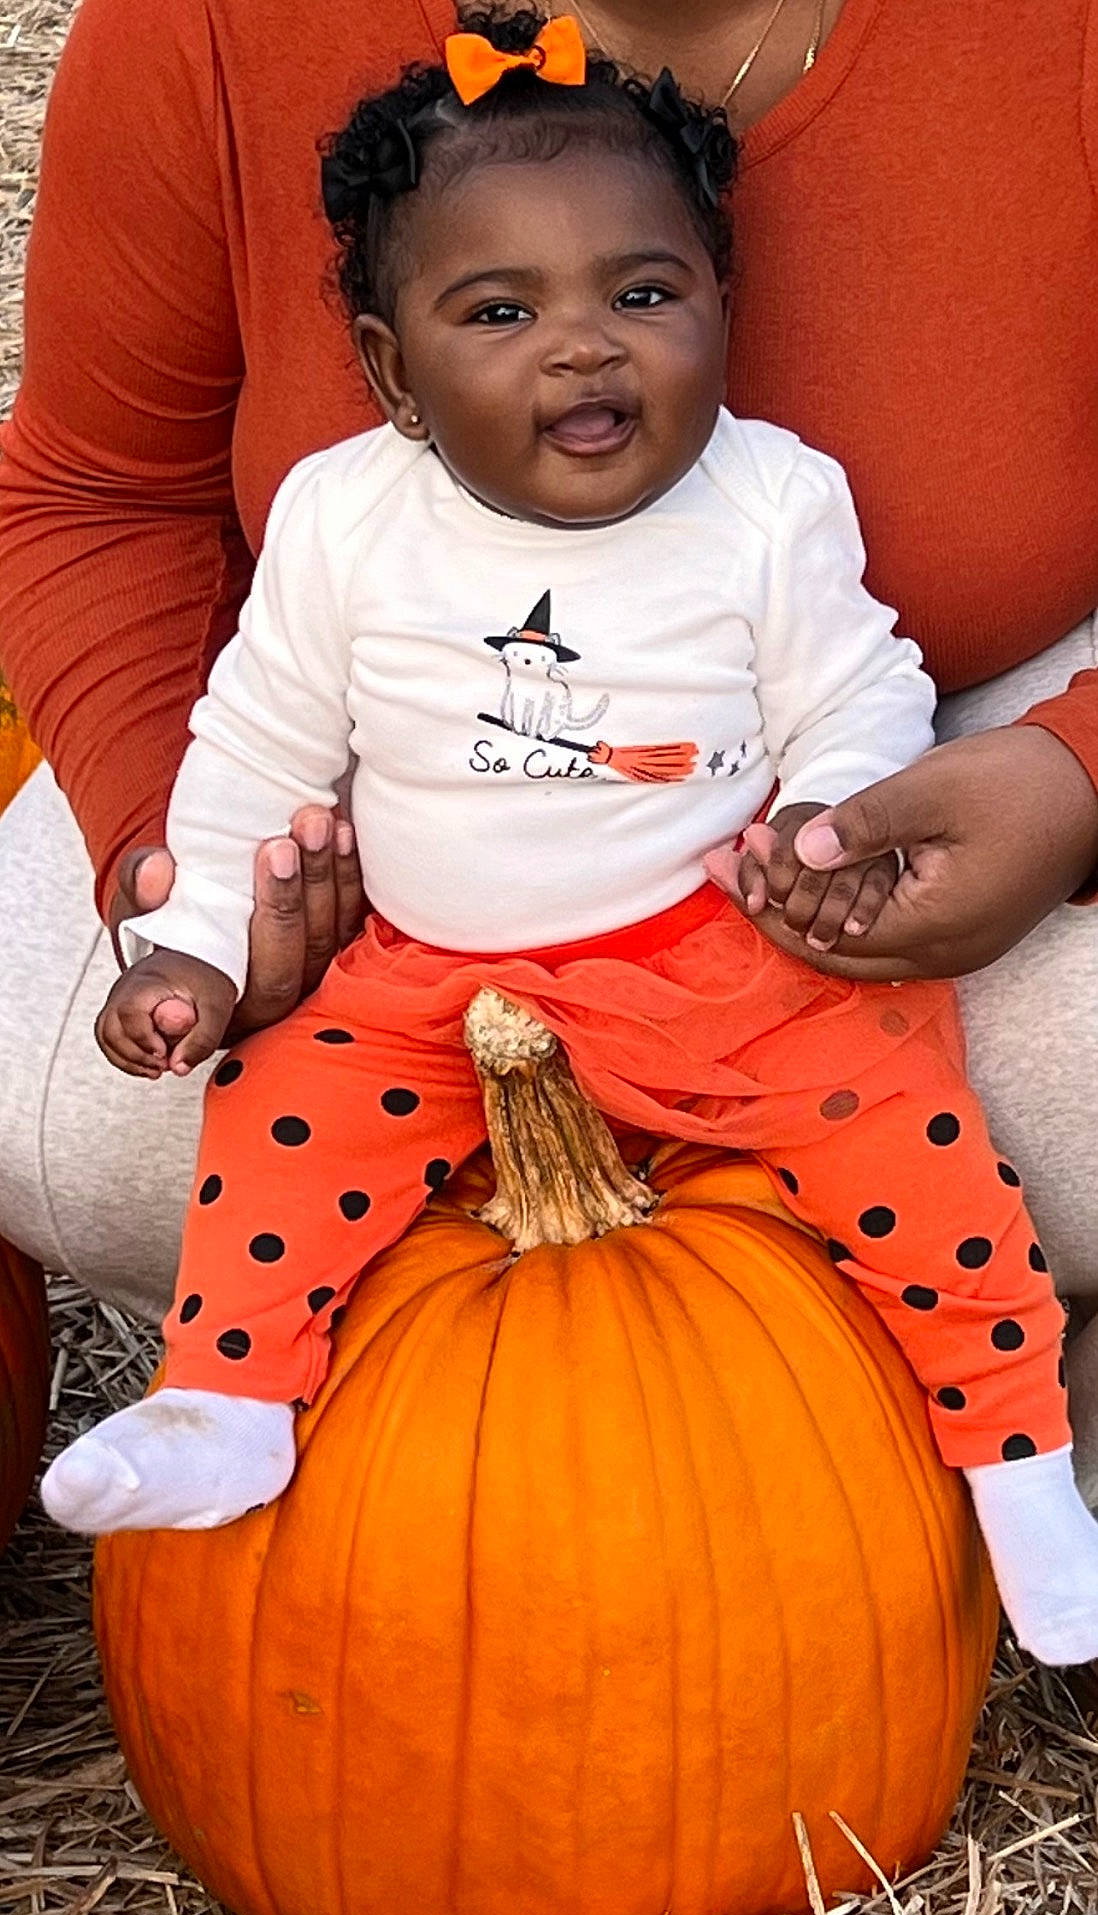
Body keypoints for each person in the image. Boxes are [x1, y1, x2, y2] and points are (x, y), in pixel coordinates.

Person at [35, 15, 1098, 1666]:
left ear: (722, 309)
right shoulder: (342, 520)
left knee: (918, 1142)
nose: (584, 352)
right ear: (391, 372)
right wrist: (187, 929)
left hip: (722, 950)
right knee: (275, 1116)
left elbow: (851, 685)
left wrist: (864, 808)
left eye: (644, 298)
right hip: (413, 955)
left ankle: (1018, 1459)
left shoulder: (768, 504)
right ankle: (223, 1394)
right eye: (502, 313)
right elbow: (245, 729)